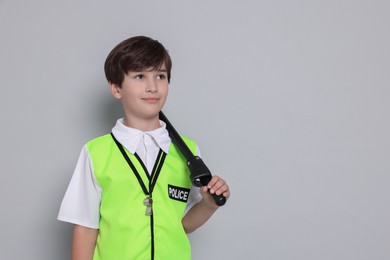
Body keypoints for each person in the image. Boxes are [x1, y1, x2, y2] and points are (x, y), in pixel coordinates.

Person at [58, 35, 230, 260]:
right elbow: (85, 228)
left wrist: (208, 205)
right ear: (116, 88)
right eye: (139, 76)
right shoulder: (96, 153)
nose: (152, 87)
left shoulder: (188, 151)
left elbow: (184, 225)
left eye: (160, 76)